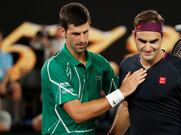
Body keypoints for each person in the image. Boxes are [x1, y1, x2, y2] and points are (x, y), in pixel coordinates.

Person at [41, 3, 147, 135]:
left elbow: (127, 101)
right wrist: (121, 93)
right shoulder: (54, 66)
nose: (82, 39)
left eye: (86, 32)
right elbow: (77, 114)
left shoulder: (99, 62)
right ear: (63, 32)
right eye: (76, 34)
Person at [109, 10, 181, 135]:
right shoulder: (127, 65)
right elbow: (126, 108)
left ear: (162, 37)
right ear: (134, 37)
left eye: (153, 41)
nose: (148, 48)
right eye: (142, 41)